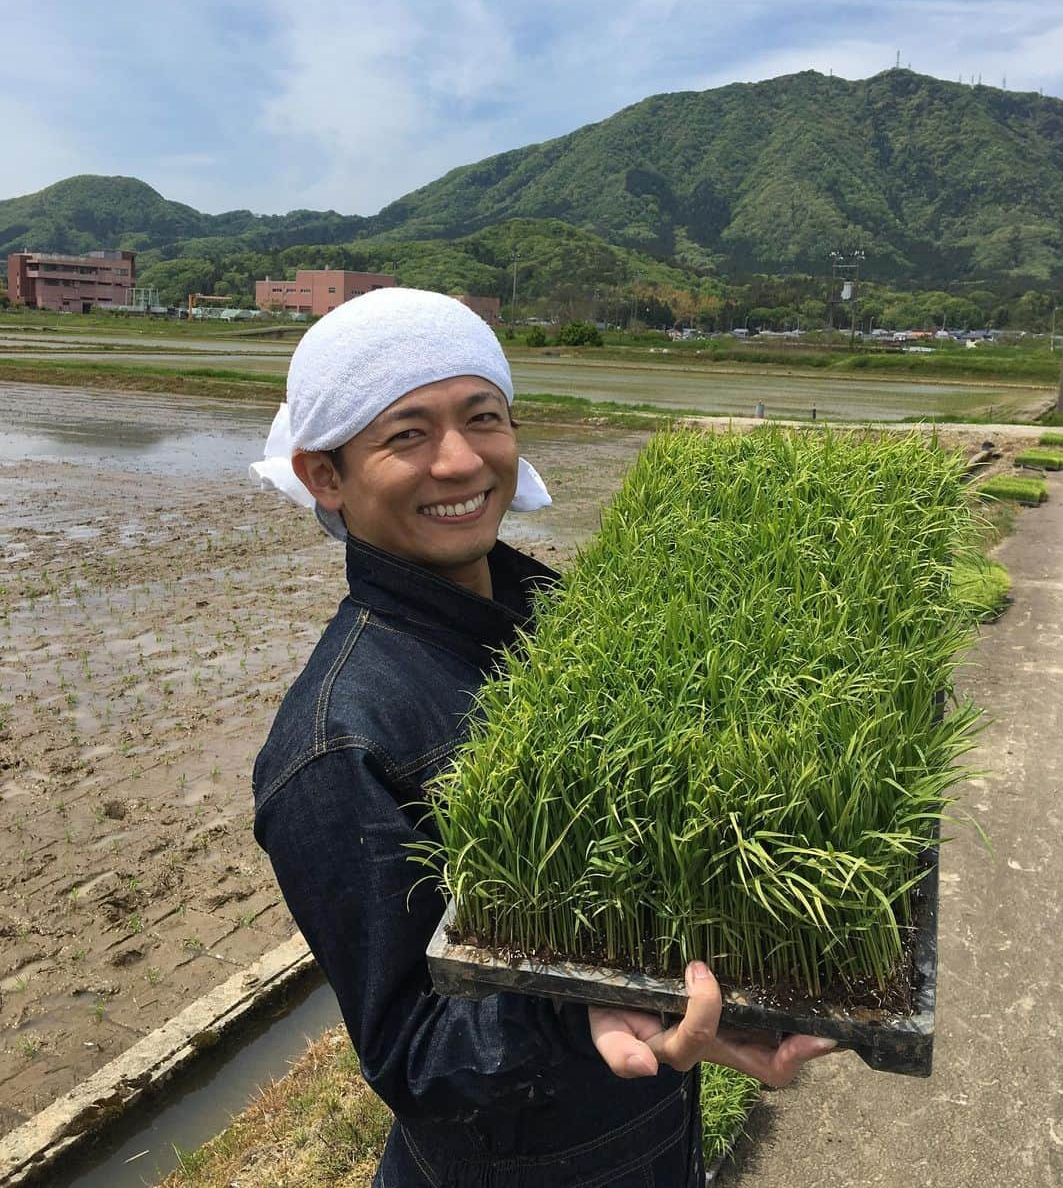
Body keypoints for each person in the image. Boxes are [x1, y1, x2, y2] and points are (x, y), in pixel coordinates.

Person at [250, 288, 833, 1188]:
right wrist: (590, 1009)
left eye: (483, 417)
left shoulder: (564, 618)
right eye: (405, 434)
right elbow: (412, 1052)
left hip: (647, 1130)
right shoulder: (338, 746)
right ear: (326, 475)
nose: (459, 460)